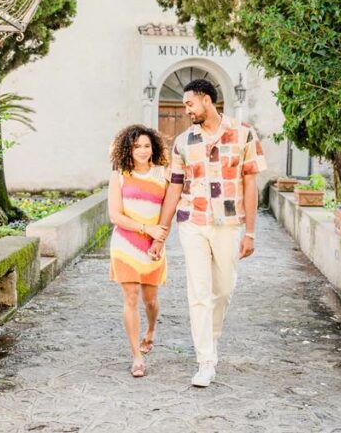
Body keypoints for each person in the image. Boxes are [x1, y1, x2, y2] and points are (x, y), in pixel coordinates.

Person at [149, 78, 267, 387]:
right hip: (192, 222)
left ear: (205, 100)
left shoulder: (244, 134)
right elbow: (174, 188)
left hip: (228, 224)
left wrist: (251, 233)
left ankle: (210, 340)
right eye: (185, 105)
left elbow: (251, 184)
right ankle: (205, 360)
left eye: (189, 103)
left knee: (224, 290)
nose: (186, 110)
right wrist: (161, 233)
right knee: (198, 292)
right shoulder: (183, 142)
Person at [107, 124, 169, 378]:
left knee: (150, 300)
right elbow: (115, 215)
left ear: (153, 147)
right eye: (137, 147)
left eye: (146, 145)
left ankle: (151, 331)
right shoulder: (119, 175)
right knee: (130, 297)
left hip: (153, 246)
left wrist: (159, 240)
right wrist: (146, 228)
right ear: (128, 150)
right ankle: (136, 356)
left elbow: (168, 213)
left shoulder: (163, 174)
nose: (142, 151)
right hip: (125, 244)